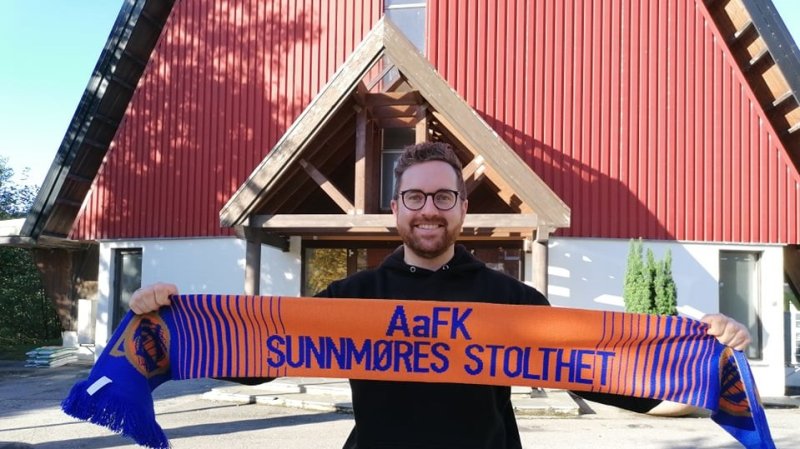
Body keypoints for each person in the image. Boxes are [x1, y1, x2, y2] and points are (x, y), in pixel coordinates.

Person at [131, 142, 751, 448]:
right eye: (415, 197)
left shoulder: (511, 300)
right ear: (395, 208)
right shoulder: (351, 299)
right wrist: (168, 319)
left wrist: (710, 359)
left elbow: (606, 377)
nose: (429, 209)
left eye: (443, 197)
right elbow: (258, 354)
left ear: (461, 208)